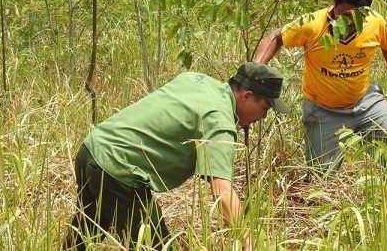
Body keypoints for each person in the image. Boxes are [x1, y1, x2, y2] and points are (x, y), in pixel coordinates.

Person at [65, 62, 290, 251]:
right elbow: (222, 190)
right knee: (154, 245)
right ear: (247, 96)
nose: (263, 117)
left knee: (85, 233)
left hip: (92, 149)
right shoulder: (218, 121)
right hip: (117, 168)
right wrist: (247, 240)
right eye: (265, 109)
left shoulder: (198, 80)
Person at [254, 0, 387, 179]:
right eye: (344, 15)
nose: (349, 23)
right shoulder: (313, 24)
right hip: (323, 110)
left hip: (366, 102)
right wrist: (256, 71)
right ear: (334, 2)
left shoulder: (375, 23)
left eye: (357, 17)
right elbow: (276, 37)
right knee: (321, 177)